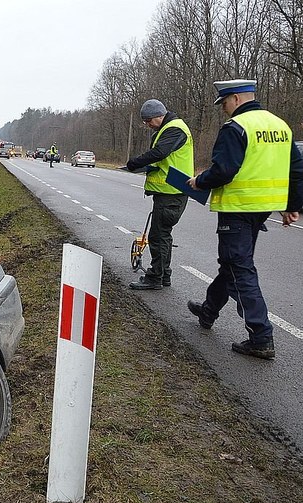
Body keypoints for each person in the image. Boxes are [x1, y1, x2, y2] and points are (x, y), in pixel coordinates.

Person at [187, 79, 303, 360]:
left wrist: (199, 181)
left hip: (238, 208)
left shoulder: (235, 127)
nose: (224, 109)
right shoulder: (280, 125)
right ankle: (209, 310)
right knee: (232, 264)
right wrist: (292, 205)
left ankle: (261, 336)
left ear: (237, 99)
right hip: (262, 209)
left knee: (240, 269)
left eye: (224, 103)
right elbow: (297, 169)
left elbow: (224, 170)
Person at [126, 99, 194, 290]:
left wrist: (135, 162)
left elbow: (160, 153)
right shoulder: (169, 129)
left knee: (158, 236)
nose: (147, 125)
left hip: (172, 192)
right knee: (163, 235)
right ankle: (164, 275)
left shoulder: (174, 129)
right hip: (171, 191)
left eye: (148, 121)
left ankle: (155, 277)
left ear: (158, 116)